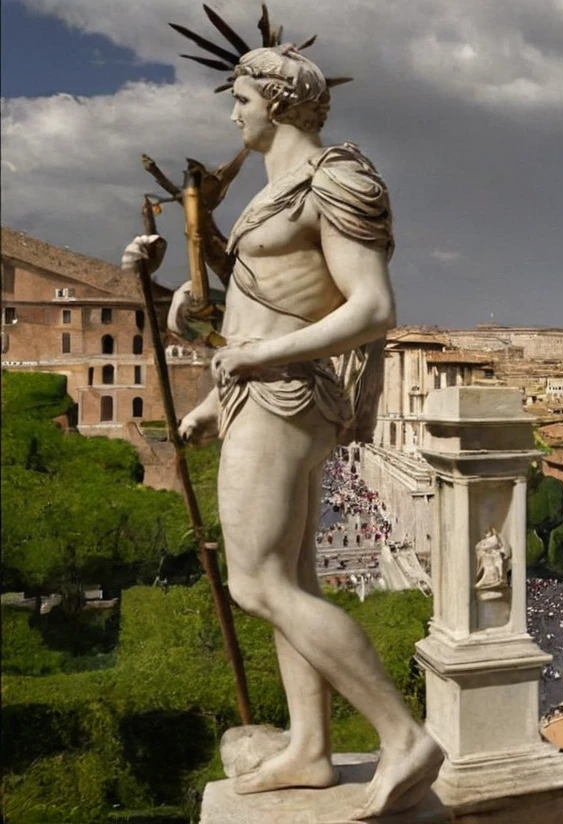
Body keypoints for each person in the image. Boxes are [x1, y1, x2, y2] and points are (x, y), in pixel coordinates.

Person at [121, 44, 439, 818]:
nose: (233, 115)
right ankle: (309, 748)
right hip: (257, 394)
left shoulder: (334, 179)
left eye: (240, 99)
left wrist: (260, 355)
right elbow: (253, 311)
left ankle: (403, 737)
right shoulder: (274, 195)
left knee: (255, 581)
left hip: (287, 396)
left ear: (277, 101)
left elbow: (370, 306)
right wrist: (163, 287)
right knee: (290, 584)